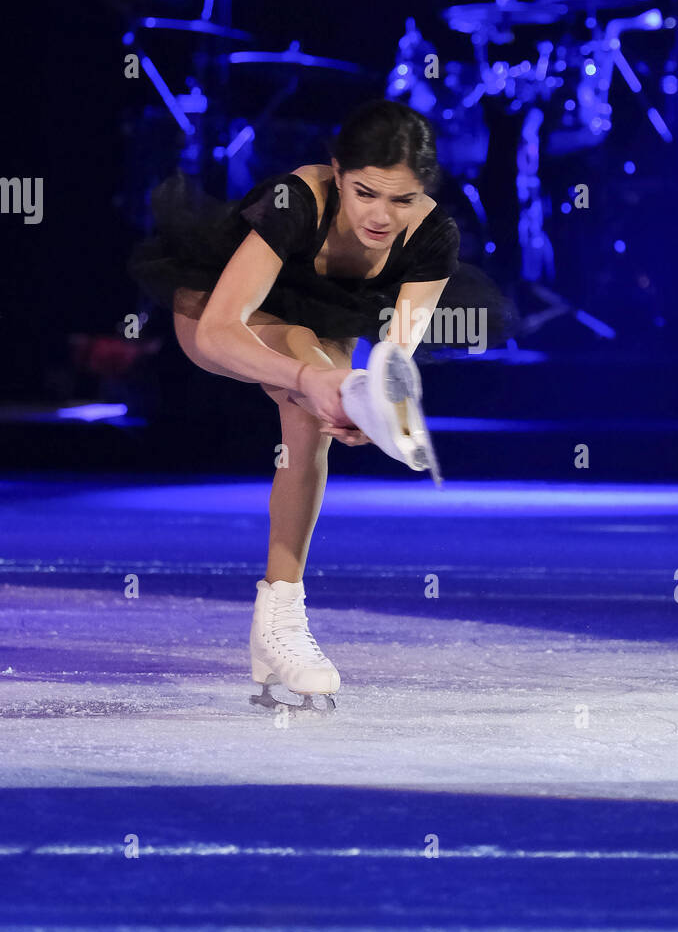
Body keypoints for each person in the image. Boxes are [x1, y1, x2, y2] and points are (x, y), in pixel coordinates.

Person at [129, 100, 499, 712]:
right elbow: (222, 329)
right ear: (337, 171)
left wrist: (372, 405)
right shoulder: (295, 201)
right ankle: (280, 621)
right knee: (311, 372)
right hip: (222, 313)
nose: (381, 216)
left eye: (401, 200)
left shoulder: (433, 236)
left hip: (320, 327)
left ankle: (280, 620)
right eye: (365, 193)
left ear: (424, 193)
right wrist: (314, 377)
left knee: (312, 416)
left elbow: (395, 359)